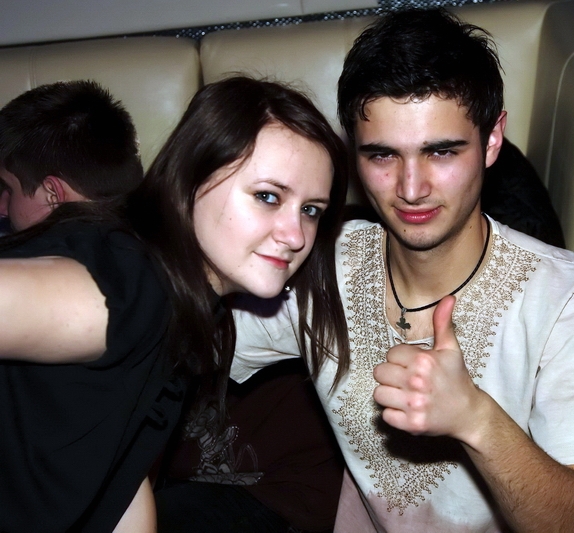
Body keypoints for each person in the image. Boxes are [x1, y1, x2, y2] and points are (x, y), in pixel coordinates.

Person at [233, 9, 574, 533]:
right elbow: (184, 336)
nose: (411, 188)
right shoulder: (319, 262)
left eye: (440, 152)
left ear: (492, 139)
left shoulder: (569, 297)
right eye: (382, 156)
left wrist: (476, 418)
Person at [0, 76, 348, 532]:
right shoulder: (129, 282)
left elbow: (119, 478)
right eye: (268, 197)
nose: (296, 235)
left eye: (310, 210)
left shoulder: (186, 304)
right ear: (190, 179)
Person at [0, 80, 143, 233]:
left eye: (9, 190)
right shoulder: (146, 231)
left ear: (52, 196)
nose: (2, 208)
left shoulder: (32, 246)